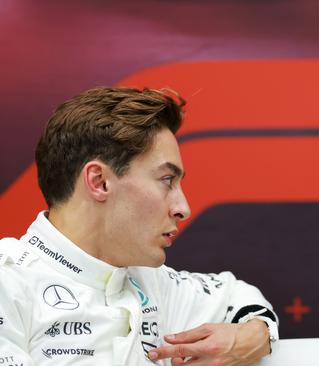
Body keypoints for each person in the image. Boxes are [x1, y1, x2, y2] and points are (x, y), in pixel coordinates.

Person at [0, 87, 278, 365]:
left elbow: (237, 295)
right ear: (99, 182)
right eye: (167, 179)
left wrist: (253, 336)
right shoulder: (8, 280)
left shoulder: (152, 281)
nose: (183, 208)